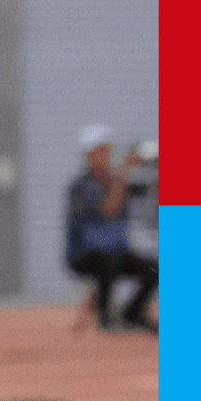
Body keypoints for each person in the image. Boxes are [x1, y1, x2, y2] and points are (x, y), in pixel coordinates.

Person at [65, 123, 158, 331]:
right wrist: (125, 171)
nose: (107, 156)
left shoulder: (115, 182)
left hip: (116, 251)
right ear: (89, 156)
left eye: (108, 150)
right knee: (107, 261)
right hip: (84, 254)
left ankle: (133, 313)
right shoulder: (82, 186)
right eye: (101, 152)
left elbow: (147, 191)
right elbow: (108, 208)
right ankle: (106, 318)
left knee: (154, 270)